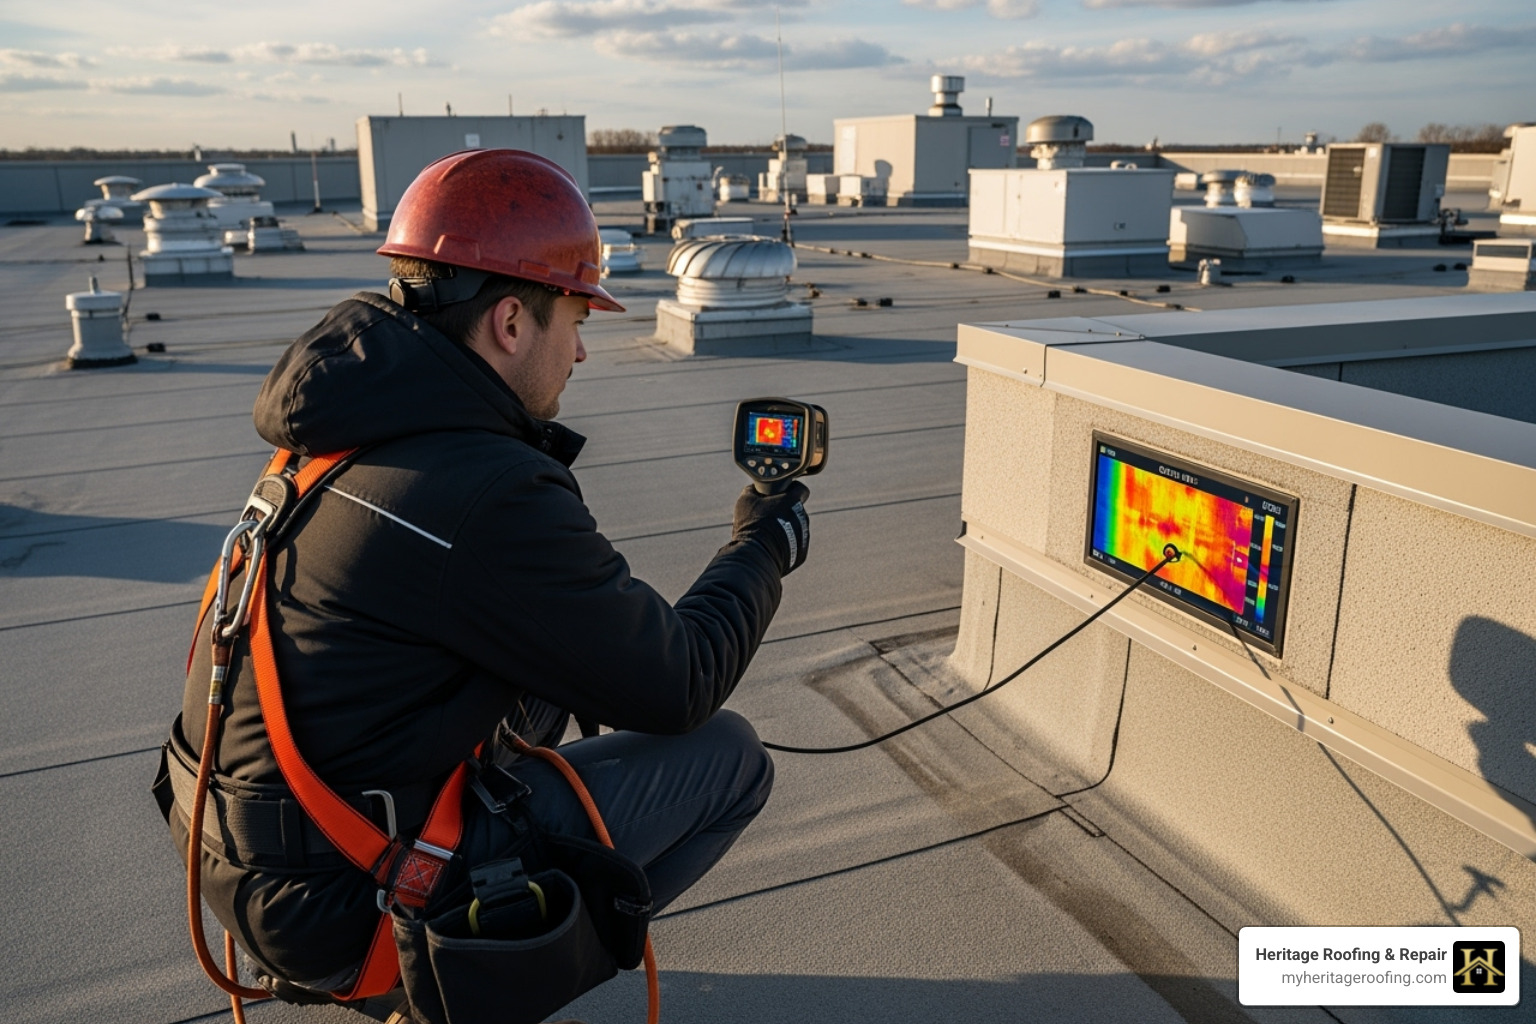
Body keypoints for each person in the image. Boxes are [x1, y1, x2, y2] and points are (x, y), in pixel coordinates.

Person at [154, 148, 811, 1012]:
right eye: (575, 320)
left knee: (543, 690)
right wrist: (764, 542)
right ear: (510, 321)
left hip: (237, 851)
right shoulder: (481, 487)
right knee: (728, 758)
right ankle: (476, 978)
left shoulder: (345, 427)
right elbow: (677, 681)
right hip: (342, 899)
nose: (580, 352)